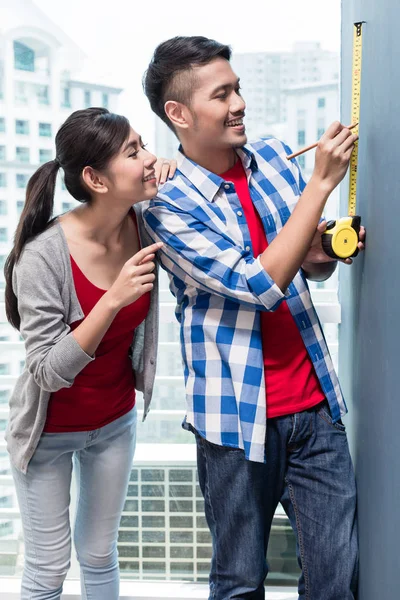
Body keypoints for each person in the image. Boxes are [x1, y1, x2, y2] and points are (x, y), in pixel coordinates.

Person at [142, 36, 365, 599]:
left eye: (238, 88)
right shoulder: (167, 208)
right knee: (240, 582)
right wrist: (320, 184)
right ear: (179, 113)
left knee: (336, 582)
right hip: (235, 425)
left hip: (315, 409)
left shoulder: (272, 158)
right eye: (222, 94)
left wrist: (327, 249)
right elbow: (259, 285)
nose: (239, 103)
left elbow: (302, 266)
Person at [4, 107, 174, 600]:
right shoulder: (41, 257)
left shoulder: (145, 222)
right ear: (95, 179)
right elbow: (46, 372)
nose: (148, 159)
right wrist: (113, 299)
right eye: (133, 152)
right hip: (48, 431)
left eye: (144, 146)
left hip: (114, 423)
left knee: (99, 555)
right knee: (48, 567)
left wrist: (178, 171)